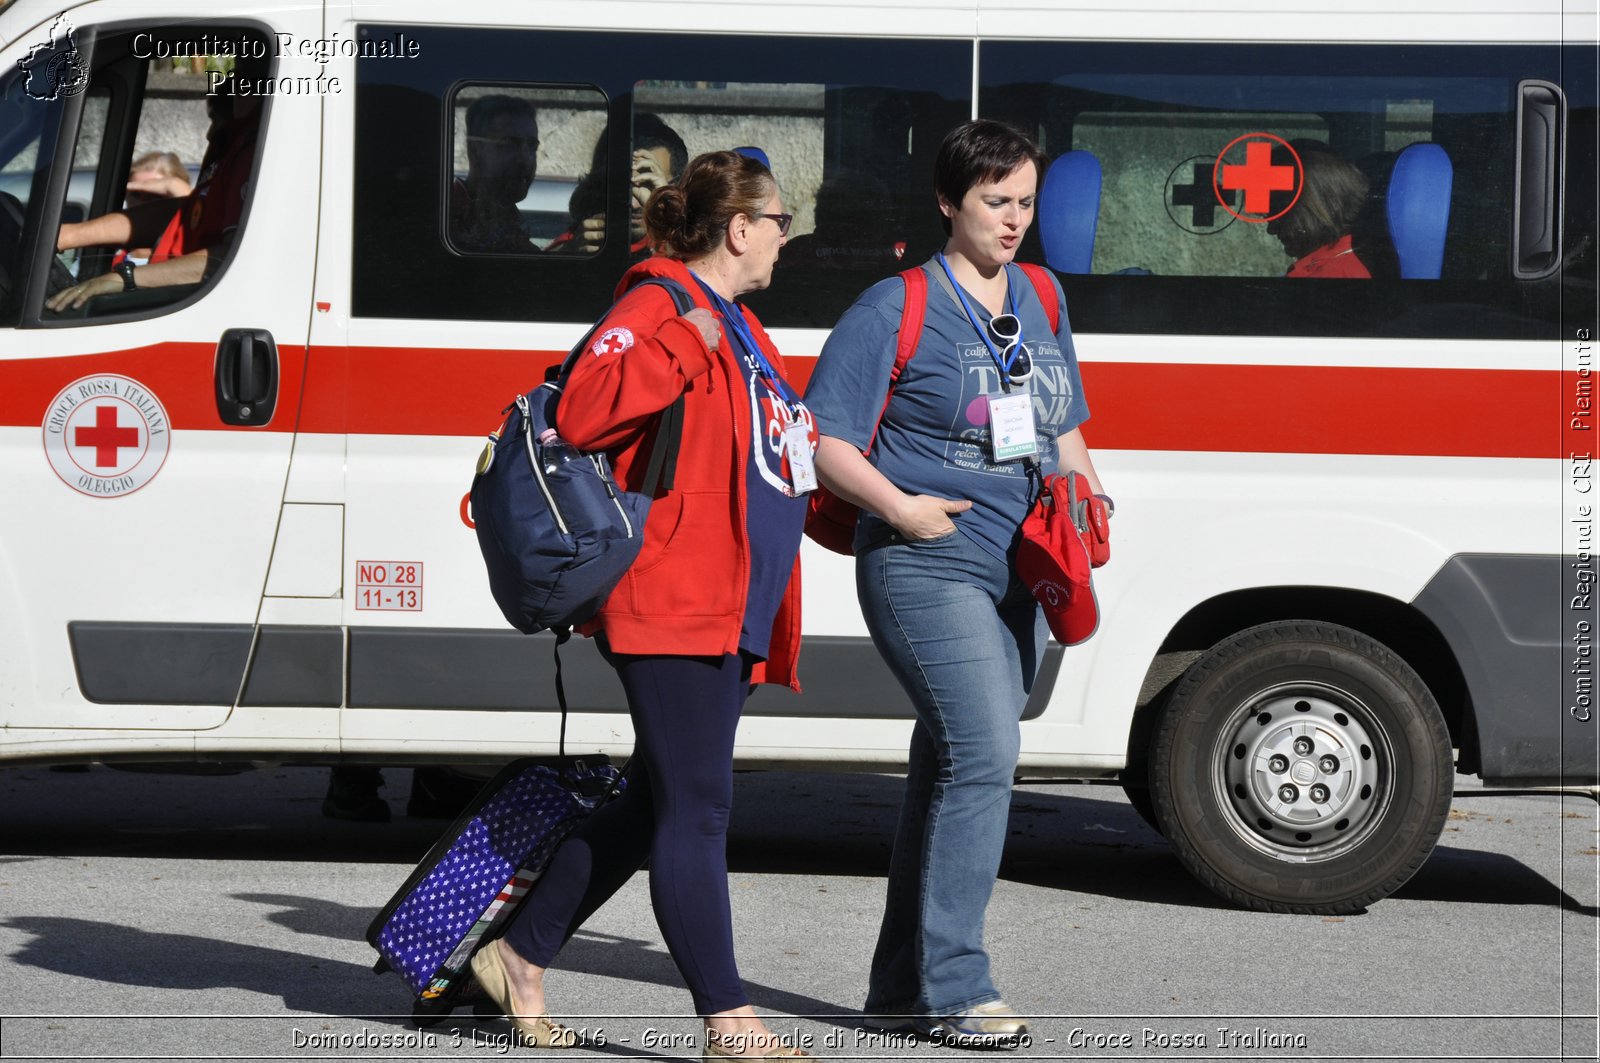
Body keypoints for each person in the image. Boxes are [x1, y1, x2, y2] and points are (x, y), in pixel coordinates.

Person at [469, 150, 816, 1059]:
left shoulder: (741, 325)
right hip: (673, 598)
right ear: (740, 229)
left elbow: (784, 452)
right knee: (696, 809)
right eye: (780, 219)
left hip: (729, 601)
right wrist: (680, 342)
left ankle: (519, 955)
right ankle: (729, 1021)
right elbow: (584, 408)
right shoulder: (660, 305)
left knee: (652, 802)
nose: (787, 234)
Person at [803, 120, 1106, 1047]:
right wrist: (901, 508)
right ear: (948, 202)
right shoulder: (893, 305)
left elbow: (1060, 424)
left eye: (1026, 202)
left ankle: (900, 986)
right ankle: (956, 988)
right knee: (983, 752)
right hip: (925, 558)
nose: (1014, 220)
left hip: (1024, 562)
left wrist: (1086, 494)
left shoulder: (1043, 295)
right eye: (994, 203)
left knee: (951, 759)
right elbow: (822, 443)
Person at [47, 83, 260, 312]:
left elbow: (235, 258)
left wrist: (125, 278)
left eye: (217, 120)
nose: (210, 134)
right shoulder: (231, 160)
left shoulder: (253, 155)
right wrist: (68, 235)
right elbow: (181, 214)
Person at [550, 112, 688, 258]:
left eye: (649, 186)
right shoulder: (577, 244)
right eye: (623, 186)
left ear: (675, 189)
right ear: (600, 185)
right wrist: (570, 258)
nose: (634, 204)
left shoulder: (689, 249)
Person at [451, 94, 541, 253]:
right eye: (509, 145)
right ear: (474, 150)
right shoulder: (449, 214)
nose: (525, 159)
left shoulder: (507, 219)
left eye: (532, 147)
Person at [1268, 144, 1372, 278]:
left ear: (1310, 210)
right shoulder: (1336, 263)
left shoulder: (1335, 272)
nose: (1270, 230)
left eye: (1279, 217)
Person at [117, 151, 192, 263]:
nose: (141, 205)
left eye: (156, 196)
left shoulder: (189, 252)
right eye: (135, 194)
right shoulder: (110, 250)